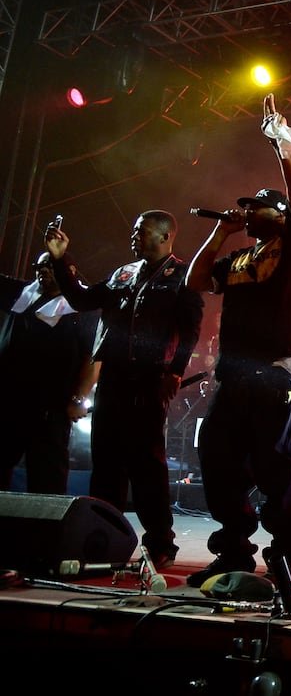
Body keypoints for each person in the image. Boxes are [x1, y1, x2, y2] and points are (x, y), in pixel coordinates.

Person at [183, 94, 291, 587]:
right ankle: (235, 547)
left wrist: (284, 149)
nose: (251, 211)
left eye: (260, 206)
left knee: (279, 466)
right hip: (236, 373)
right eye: (250, 207)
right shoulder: (239, 257)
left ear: (280, 215)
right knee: (219, 458)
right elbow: (195, 282)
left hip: (278, 371)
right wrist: (220, 233)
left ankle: (286, 553)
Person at [45, 210, 204, 569]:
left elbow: (190, 330)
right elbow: (83, 299)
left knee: (147, 463)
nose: (134, 236)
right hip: (114, 377)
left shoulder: (182, 276)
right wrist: (61, 260)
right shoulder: (124, 273)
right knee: (106, 463)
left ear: (164, 237)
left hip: (150, 379)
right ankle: (102, 536)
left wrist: (175, 373)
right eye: (134, 230)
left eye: (141, 231)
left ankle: (160, 541)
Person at [0, 250, 99, 494]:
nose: (42, 271)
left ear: (70, 272)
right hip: (9, 399)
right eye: (39, 266)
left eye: (50, 266)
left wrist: (79, 398)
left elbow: (93, 357)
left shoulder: (82, 307)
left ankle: (45, 528)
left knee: (46, 473)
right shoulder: (24, 293)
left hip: (50, 405)